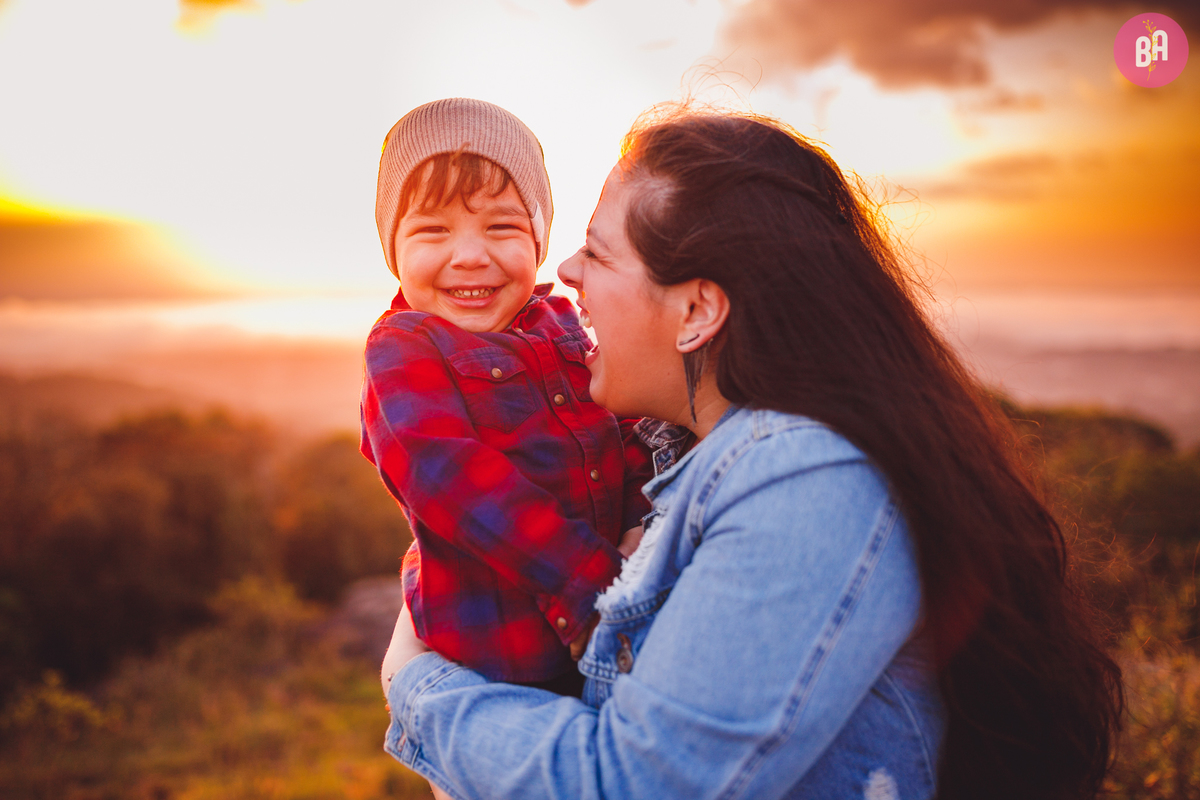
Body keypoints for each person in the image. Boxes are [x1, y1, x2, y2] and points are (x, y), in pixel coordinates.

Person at [379, 108, 1123, 800]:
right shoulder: (701, 466)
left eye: (597, 253)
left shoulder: (804, 482)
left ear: (697, 311)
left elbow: (640, 782)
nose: (566, 273)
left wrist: (416, 685)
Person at [361, 98, 651, 698]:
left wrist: (646, 523)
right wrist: (589, 582)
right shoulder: (403, 349)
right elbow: (452, 479)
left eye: (501, 226)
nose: (470, 254)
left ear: (540, 237)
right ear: (393, 248)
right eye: (433, 230)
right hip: (500, 665)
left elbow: (622, 422)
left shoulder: (562, 321)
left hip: (615, 625)